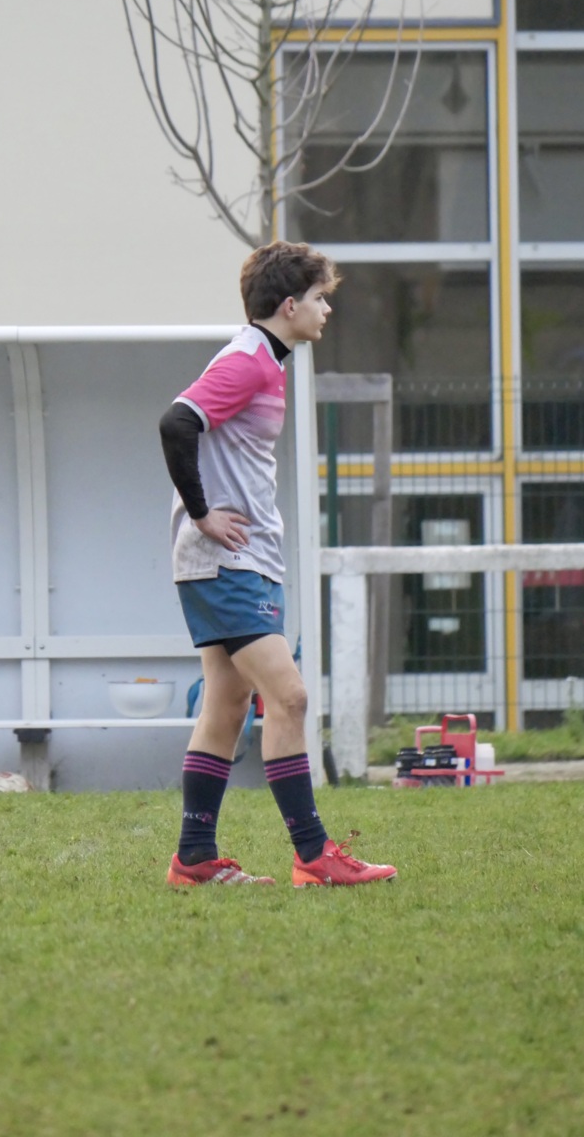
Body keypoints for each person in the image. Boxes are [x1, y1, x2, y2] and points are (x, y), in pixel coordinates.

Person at [159, 240, 397, 887]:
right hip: (226, 564)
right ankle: (314, 855)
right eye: (320, 298)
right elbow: (176, 424)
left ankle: (193, 859)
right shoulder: (248, 361)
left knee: (227, 705)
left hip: (240, 562)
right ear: (289, 305)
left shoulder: (264, 359)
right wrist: (202, 514)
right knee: (288, 697)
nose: (326, 310)